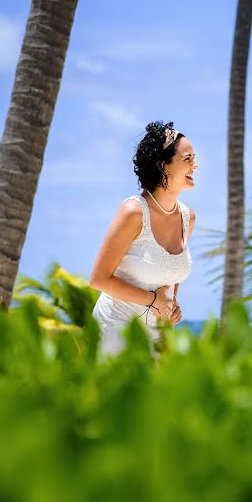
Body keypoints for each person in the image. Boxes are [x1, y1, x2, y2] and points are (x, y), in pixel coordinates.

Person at [90, 121, 197, 355]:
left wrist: (171, 308)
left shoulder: (188, 218)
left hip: (156, 336)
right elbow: (99, 279)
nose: (195, 166)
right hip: (115, 330)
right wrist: (153, 300)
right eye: (188, 158)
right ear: (163, 166)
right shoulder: (134, 212)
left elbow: (170, 277)